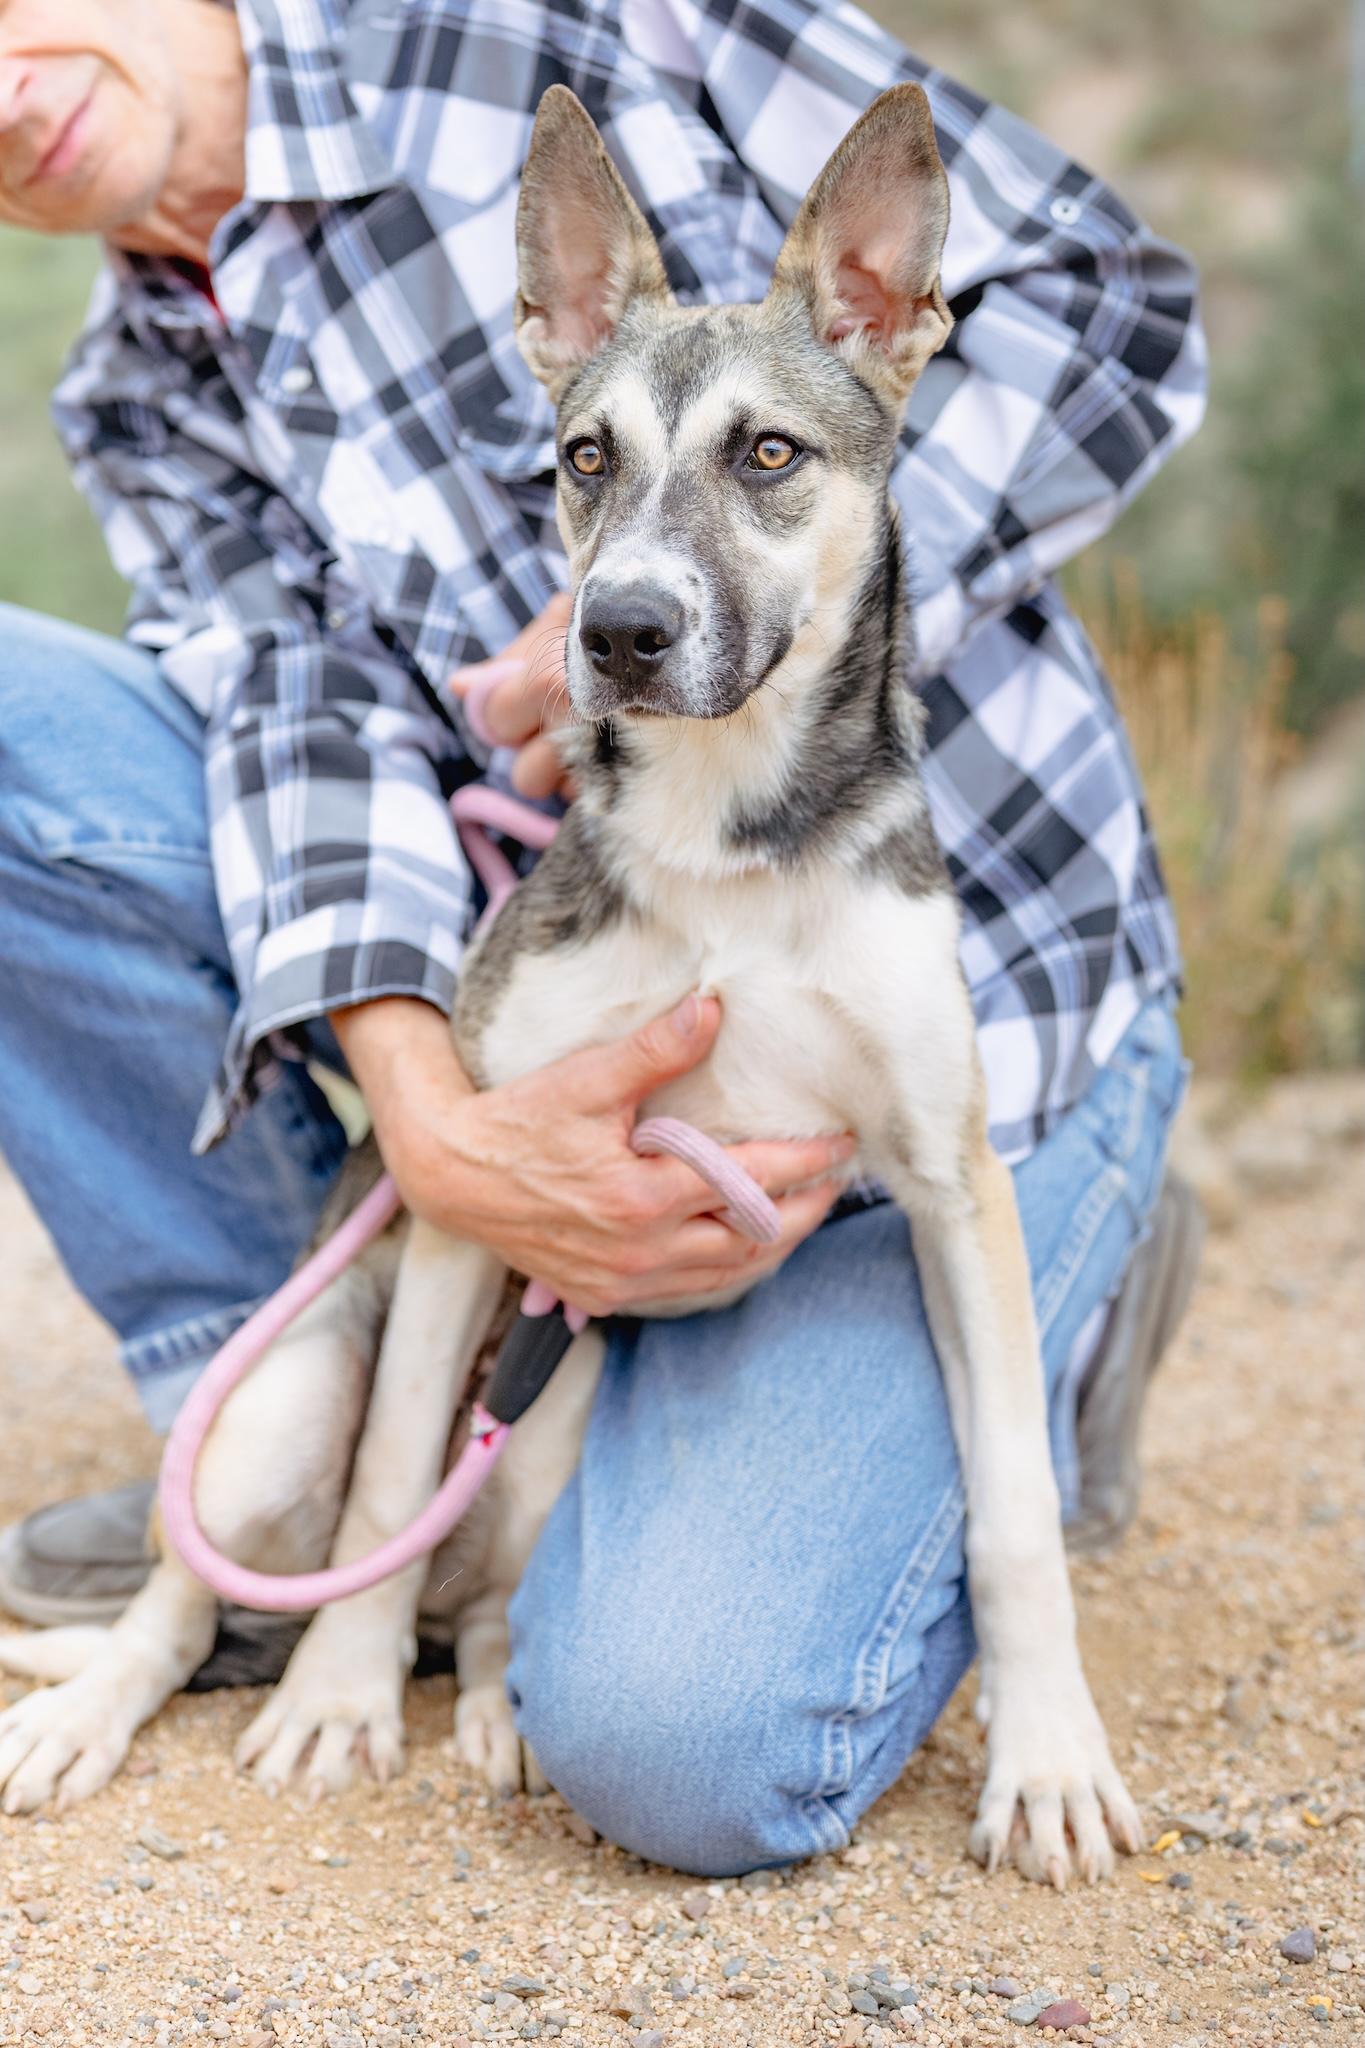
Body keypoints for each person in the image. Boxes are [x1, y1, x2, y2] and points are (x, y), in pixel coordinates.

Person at [0, 0, 1206, 1873]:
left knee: (684, 1740)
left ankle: (1070, 1282)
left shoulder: (566, 27)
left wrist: (829, 591)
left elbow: (1116, 310)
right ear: (557, 338)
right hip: (604, 912)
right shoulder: (138, 390)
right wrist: (438, 1125)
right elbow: (302, 732)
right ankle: (285, 1489)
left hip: (1015, 990)